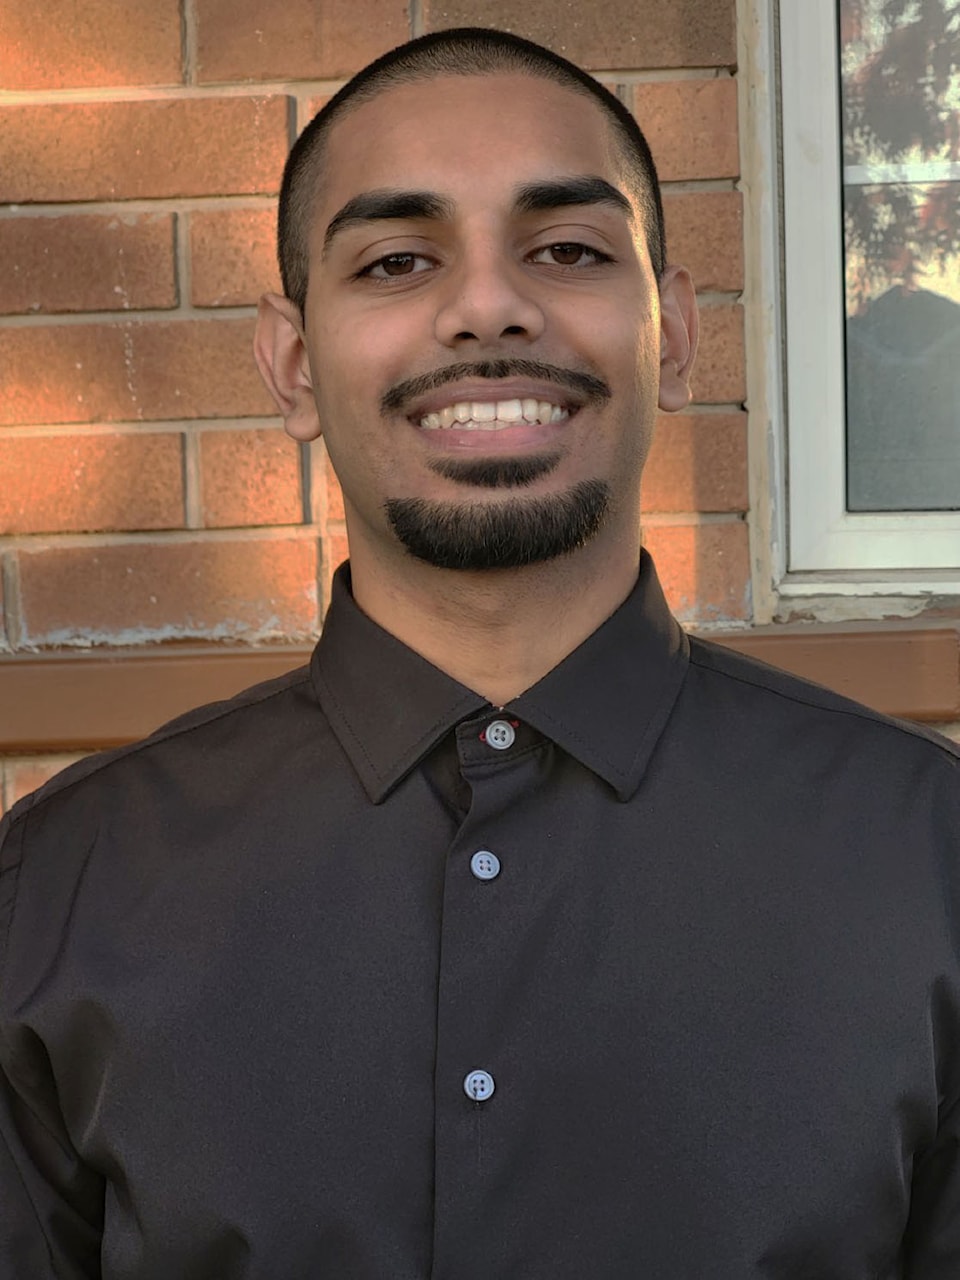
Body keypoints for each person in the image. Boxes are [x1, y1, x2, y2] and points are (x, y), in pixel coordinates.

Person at [2, 26, 959, 1279]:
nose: (490, 305)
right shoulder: (58, 889)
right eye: (398, 259)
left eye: (566, 250)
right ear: (293, 363)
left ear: (673, 340)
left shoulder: (930, 858)